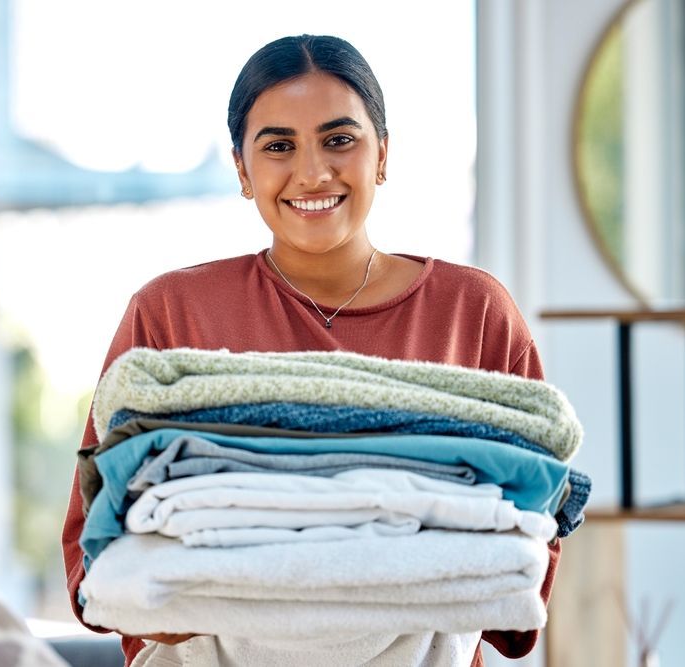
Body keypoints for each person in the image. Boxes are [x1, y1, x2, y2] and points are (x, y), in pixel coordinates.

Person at [62, 34, 560, 666]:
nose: (313, 171)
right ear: (243, 169)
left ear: (383, 154)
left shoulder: (472, 311)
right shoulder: (170, 313)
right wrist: (158, 597)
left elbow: (531, 523)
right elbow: (92, 539)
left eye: (339, 139)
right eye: (277, 146)